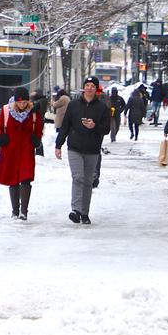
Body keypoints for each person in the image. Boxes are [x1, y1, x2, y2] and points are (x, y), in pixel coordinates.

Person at [55, 76, 110, 225]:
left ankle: (84, 212)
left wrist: (95, 126)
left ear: (96, 89)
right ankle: (76, 210)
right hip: (75, 147)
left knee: (87, 181)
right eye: (87, 85)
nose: (89, 88)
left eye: (92, 86)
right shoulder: (73, 105)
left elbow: (106, 129)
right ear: (83, 87)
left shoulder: (102, 107)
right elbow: (65, 126)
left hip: (92, 149)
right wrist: (58, 145)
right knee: (78, 177)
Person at [0, 87, 44, 221]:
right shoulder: (6, 111)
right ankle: (14, 211)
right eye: (19, 102)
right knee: (13, 179)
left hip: (26, 150)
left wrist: (36, 139)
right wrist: (1, 138)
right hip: (10, 150)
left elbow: (38, 127)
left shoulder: (33, 112)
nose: (22, 105)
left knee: (25, 178)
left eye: (25, 102)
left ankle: (23, 211)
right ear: (15, 101)